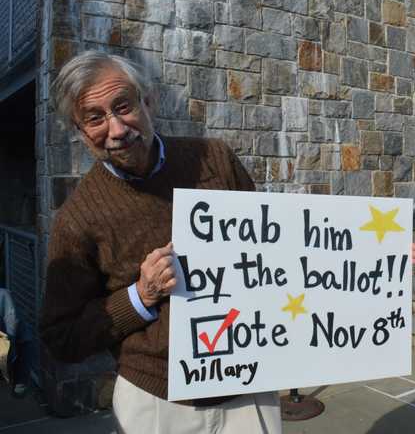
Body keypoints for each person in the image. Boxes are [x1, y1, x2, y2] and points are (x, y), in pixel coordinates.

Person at [40, 51, 281, 433]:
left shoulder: (215, 159)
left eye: (124, 106)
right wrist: (141, 295)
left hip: (248, 387)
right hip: (157, 402)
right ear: (79, 129)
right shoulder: (78, 219)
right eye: (95, 117)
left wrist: (369, 257)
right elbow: (62, 337)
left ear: (147, 101)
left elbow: (280, 247)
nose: (117, 129)